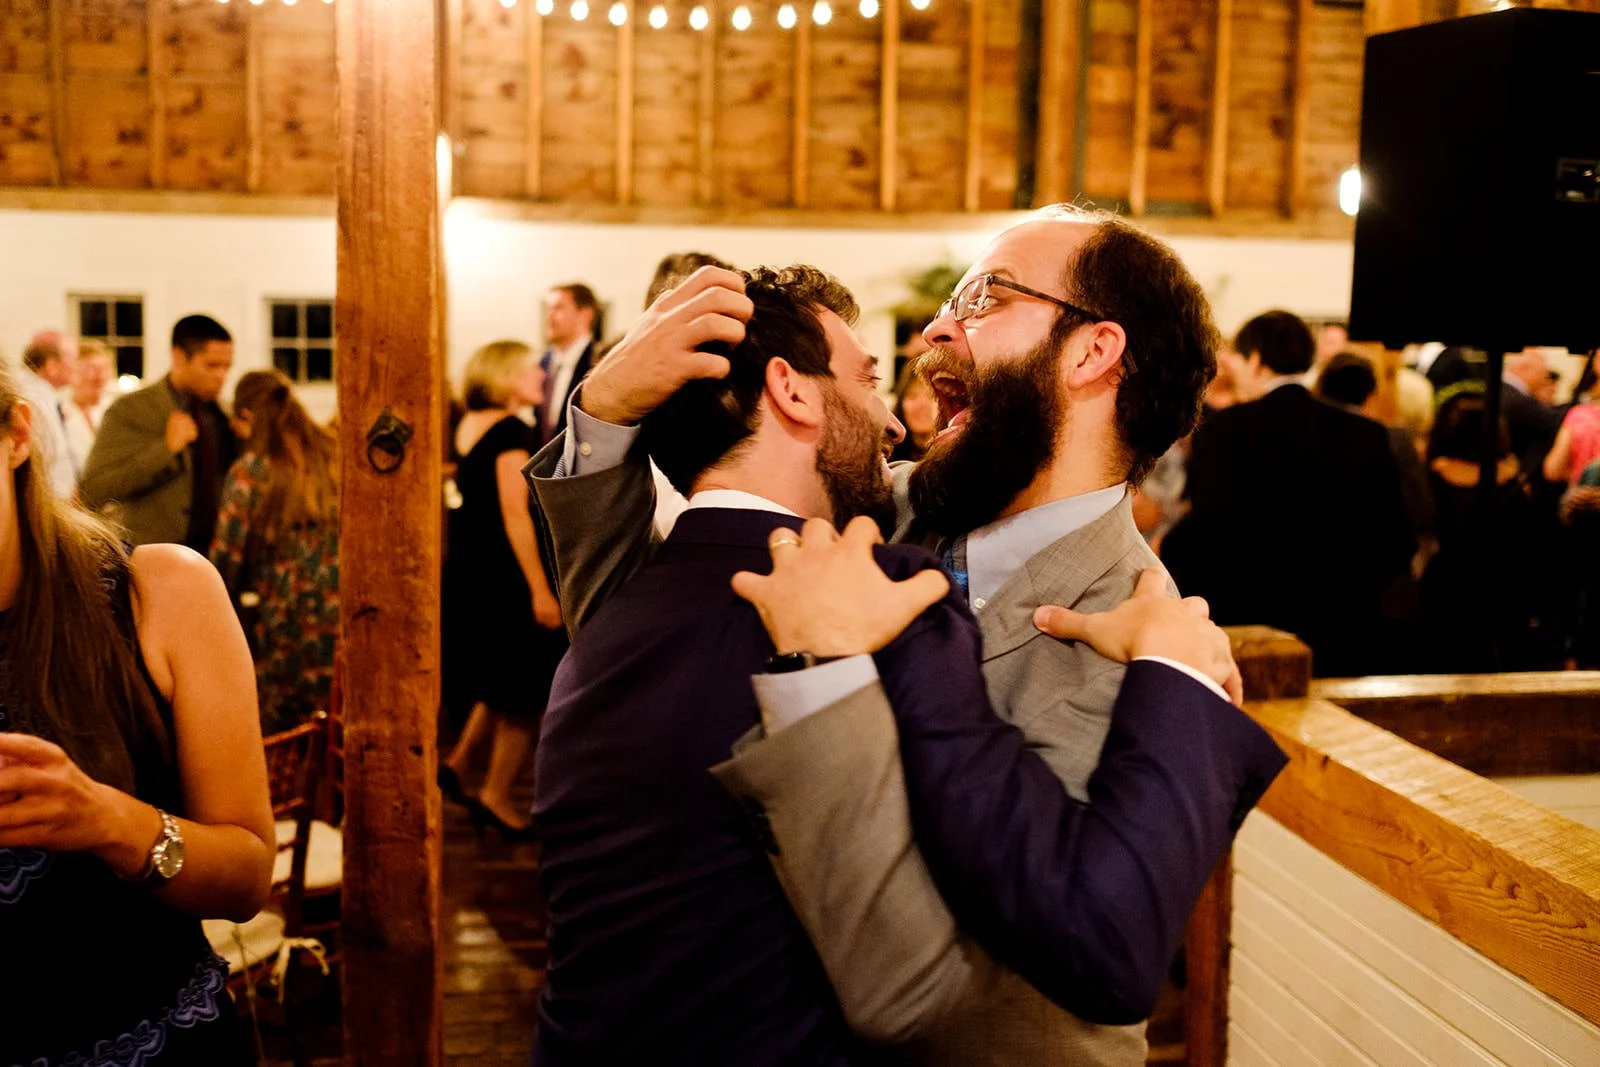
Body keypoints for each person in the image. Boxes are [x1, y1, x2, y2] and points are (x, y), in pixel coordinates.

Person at [530, 209, 1243, 1062]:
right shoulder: (873, 506)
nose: (935, 330)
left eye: (982, 298)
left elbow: (1019, 987)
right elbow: (638, 629)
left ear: (1092, 352)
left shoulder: (1136, 634)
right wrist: (604, 416)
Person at [0, 361, 274, 1065]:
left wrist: (106, 819)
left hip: (147, 1042)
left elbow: (246, 875)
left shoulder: (159, 593)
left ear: (17, 436)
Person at [1163, 311, 1415, 676]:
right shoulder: (1366, 433)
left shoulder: (1225, 432)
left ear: (1257, 359)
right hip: (1345, 628)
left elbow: (1209, 527)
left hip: (1248, 627)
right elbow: (1396, 540)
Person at [440, 341, 565, 839]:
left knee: (500, 678)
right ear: (505, 376)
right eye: (529, 369)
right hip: (510, 574)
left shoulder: (470, 425)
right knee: (526, 691)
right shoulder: (512, 431)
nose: (539, 375)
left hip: (478, 572)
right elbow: (516, 516)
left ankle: (460, 763)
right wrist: (540, 589)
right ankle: (496, 795)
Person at [209, 370, 340, 732]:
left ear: (247, 417)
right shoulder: (333, 453)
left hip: (289, 618)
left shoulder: (252, 470)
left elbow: (226, 558)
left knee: (285, 728)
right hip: (341, 613)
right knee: (334, 722)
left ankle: (293, 788)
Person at [81, 315, 238, 550]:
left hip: (214, 559)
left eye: (227, 367)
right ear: (179, 357)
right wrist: (166, 450)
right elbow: (94, 490)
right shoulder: (132, 410)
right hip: (155, 559)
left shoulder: (225, 414)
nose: (221, 376)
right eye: (212, 365)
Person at [537, 284, 603, 446]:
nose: (549, 316)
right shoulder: (542, 362)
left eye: (558, 308)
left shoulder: (600, 361)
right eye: (548, 309)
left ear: (585, 315)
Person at [18, 331, 79, 497]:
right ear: (51, 365)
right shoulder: (33, 399)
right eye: (73, 359)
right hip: (48, 499)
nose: (77, 366)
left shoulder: (43, 394)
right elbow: (48, 458)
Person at [62, 338, 115, 480]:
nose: (100, 376)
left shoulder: (115, 410)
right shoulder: (60, 413)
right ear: (74, 372)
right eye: (91, 368)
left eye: (104, 368)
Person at [889, 363, 938, 464]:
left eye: (930, 395)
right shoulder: (886, 458)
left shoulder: (957, 458)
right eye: (912, 396)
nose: (921, 404)